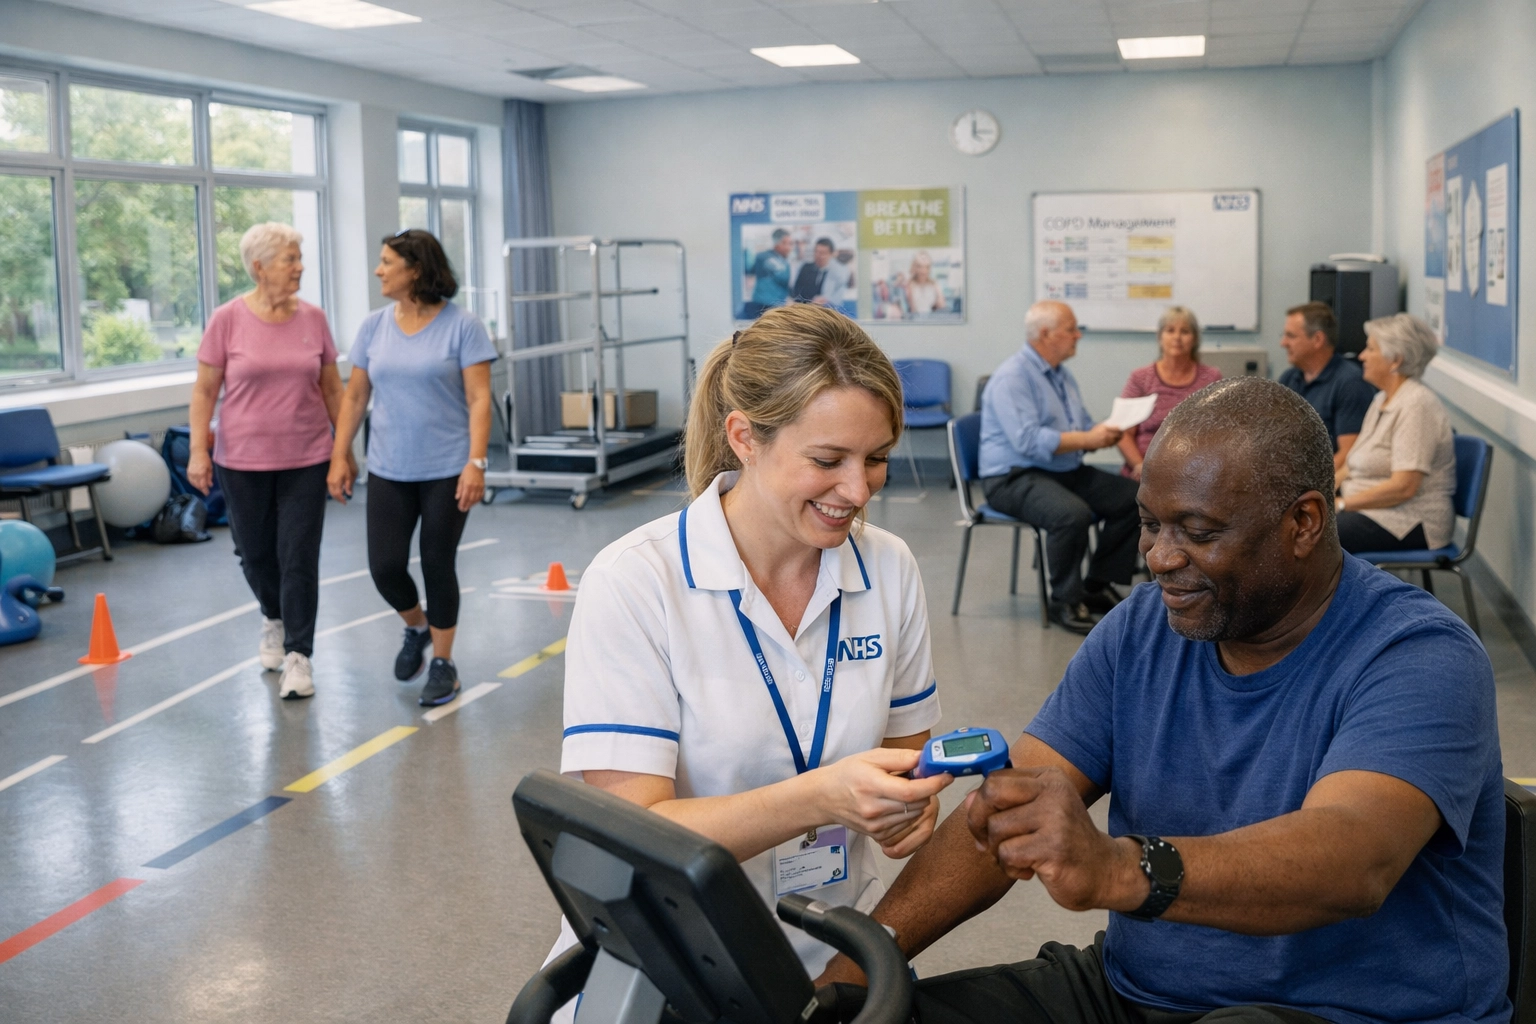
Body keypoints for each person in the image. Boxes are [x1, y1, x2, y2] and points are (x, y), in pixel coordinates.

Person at [817, 376, 1507, 1024]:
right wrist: (856, 968)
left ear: (1303, 524)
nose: (1160, 557)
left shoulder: (1418, 654)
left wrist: (1120, 867)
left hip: (1343, 1010)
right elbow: (1008, 811)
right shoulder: (1144, 629)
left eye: (1198, 533)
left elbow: (1353, 859)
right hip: (1136, 993)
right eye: (1150, 525)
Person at [546, 303, 952, 996]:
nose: (857, 491)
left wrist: (907, 809)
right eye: (827, 460)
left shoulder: (888, 567)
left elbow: (906, 765)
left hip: (836, 952)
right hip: (673, 964)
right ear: (744, 437)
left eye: (876, 460)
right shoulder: (638, 581)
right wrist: (822, 797)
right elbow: (639, 835)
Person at [327, 229, 496, 707]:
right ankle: (416, 626)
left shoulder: (463, 326)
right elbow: (356, 396)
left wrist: (476, 462)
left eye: (386, 262)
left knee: (438, 561)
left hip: (447, 467)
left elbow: (479, 398)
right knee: (384, 566)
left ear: (415, 269)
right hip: (388, 468)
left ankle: (443, 663)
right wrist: (341, 455)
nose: (379, 270)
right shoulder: (374, 327)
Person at [188, 222, 345, 701]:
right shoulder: (228, 319)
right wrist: (199, 449)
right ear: (259, 268)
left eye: (299, 258)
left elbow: (332, 389)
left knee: (298, 555)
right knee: (254, 553)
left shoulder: (314, 319)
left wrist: (344, 453)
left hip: (307, 457)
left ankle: (299, 655)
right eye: (289, 259)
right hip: (242, 460)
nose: (299, 268)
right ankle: (273, 618)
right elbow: (205, 389)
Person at [979, 300, 1139, 634]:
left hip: (1059, 469)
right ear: (1046, 334)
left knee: (1135, 498)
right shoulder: (1012, 377)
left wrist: (1103, 434)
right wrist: (1087, 439)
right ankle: (1064, 601)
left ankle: (1095, 585)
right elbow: (1026, 441)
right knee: (1070, 514)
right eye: (1071, 329)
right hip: (1012, 476)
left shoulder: (1061, 376)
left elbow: (1080, 425)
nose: (1078, 335)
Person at [1335, 313, 1456, 554]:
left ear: (1395, 360)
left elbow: (1404, 487)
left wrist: (1341, 504)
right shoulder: (1381, 399)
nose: (1361, 356)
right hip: (1372, 510)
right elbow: (1353, 464)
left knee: (1309, 535)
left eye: (1370, 349)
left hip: (1408, 519)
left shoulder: (1417, 405)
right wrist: (1322, 492)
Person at [1116, 306, 1222, 480]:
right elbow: (1123, 432)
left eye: (1185, 331)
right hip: (1144, 470)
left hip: (1194, 474)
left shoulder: (1211, 378)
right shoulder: (1140, 378)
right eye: (1170, 330)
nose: (1177, 338)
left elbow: (1218, 433)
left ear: (1195, 339)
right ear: (1160, 337)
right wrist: (1138, 466)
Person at [1278, 301, 1377, 470]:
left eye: (1291, 336)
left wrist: (1303, 485)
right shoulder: (1289, 378)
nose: (1283, 343)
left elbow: (1348, 455)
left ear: (1317, 339)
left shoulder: (1350, 384)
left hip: (1322, 483)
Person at [743, 228, 792, 318]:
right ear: (778, 243)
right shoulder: (766, 258)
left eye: (790, 244)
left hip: (776, 305)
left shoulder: (783, 261)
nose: (789, 248)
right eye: (786, 243)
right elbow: (784, 278)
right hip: (766, 306)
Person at [905, 251, 947, 316]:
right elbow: (912, 309)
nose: (923, 271)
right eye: (919, 266)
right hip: (915, 320)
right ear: (915, 267)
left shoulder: (934, 284)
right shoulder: (909, 284)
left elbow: (942, 305)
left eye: (926, 267)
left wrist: (938, 296)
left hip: (931, 319)